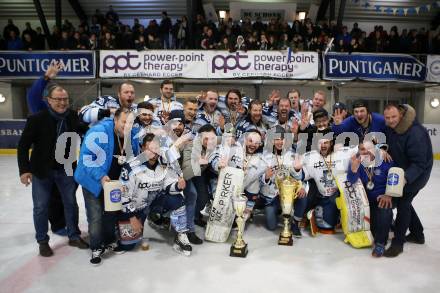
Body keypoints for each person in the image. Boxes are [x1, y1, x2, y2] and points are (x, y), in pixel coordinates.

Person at [18, 85, 89, 257]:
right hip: (42, 171)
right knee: (41, 208)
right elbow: (23, 145)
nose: (62, 102)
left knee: (71, 204)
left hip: (66, 169)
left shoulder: (72, 116)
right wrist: (24, 170)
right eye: (58, 99)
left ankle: (74, 236)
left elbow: (85, 131)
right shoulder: (37, 119)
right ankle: (42, 241)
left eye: (65, 99)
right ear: (49, 100)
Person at [74, 109, 140, 265]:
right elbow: (87, 160)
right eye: (124, 122)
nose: (128, 126)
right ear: (115, 120)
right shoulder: (98, 131)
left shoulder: (133, 135)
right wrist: (101, 177)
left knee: (111, 213)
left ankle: (110, 240)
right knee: (96, 215)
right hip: (92, 179)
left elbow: (134, 158)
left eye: (131, 123)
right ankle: (96, 246)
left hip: (114, 183)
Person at [119, 133, 192, 255]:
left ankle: (181, 234)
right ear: (142, 148)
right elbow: (123, 195)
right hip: (136, 209)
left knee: (178, 199)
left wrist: (177, 186)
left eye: (156, 149)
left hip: (154, 203)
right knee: (128, 246)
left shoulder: (163, 164)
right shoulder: (131, 167)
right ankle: (129, 224)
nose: (153, 153)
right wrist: (132, 218)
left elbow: (168, 186)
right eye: (149, 149)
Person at [382, 104, 433, 257]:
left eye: (394, 117)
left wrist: (405, 178)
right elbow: (390, 144)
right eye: (387, 118)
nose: (390, 121)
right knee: (406, 203)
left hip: (417, 175)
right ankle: (418, 234)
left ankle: (398, 243)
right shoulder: (392, 128)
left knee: (403, 204)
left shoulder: (416, 133)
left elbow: (419, 163)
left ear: (401, 116)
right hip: (401, 172)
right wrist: (383, 149)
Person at [292, 129, 357, 235]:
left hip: (337, 196)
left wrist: (379, 148)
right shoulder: (310, 157)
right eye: (320, 143)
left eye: (326, 142)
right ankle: (309, 212)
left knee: (327, 228)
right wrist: (297, 169)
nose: (323, 145)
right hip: (318, 193)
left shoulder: (342, 153)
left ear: (331, 143)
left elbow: (364, 148)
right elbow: (299, 176)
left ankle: (332, 215)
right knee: (325, 227)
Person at [347, 141, 394, 257]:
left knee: (384, 208)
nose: (366, 151)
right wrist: (353, 170)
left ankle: (380, 244)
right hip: (367, 201)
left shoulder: (386, 160)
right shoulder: (356, 161)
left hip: (383, 197)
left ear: (375, 149)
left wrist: (388, 195)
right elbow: (352, 181)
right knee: (373, 228)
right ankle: (389, 224)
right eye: (362, 149)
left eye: (368, 148)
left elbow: (395, 179)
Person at [260, 126, 307, 235]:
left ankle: (296, 223)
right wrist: (266, 177)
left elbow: (299, 177)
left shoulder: (292, 154)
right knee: (272, 226)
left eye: (282, 139)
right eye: (276, 139)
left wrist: (297, 170)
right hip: (273, 195)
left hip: (289, 192)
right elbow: (259, 179)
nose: (279, 142)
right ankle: (279, 211)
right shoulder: (265, 156)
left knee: (303, 195)